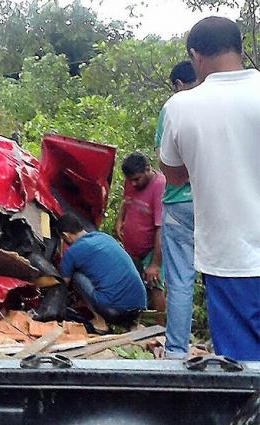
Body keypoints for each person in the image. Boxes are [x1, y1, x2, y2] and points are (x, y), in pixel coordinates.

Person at [160, 16, 260, 361]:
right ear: (241, 49)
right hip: (233, 258)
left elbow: (173, 175)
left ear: (195, 56)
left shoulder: (181, 106)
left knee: (244, 368)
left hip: (231, 260)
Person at [155, 61, 198, 359]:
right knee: (226, 274)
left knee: (181, 280)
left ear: (178, 84)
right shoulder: (219, 104)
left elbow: (165, 164)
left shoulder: (175, 107)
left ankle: (176, 352)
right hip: (214, 201)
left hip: (179, 204)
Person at [56, 212, 147, 333]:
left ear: (66, 235)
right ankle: (133, 325)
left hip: (114, 311)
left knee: (76, 276)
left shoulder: (72, 252)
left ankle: (100, 322)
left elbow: (64, 284)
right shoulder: (103, 237)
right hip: (138, 307)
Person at [114, 151, 166, 323]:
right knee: (134, 285)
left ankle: (159, 330)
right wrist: (120, 219)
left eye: (137, 179)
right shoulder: (131, 181)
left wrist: (155, 264)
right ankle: (137, 323)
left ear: (147, 169)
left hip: (151, 248)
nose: (133, 183)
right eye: (130, 180)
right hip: (132, 248)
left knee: (154, 286)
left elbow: (161, 228)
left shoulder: (159, 187)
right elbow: (126, 200)